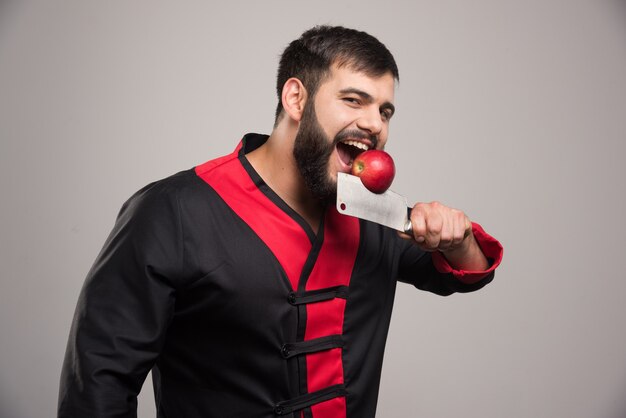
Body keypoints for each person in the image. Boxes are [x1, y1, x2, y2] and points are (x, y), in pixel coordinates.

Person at [58, 25, 503, 418]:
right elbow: (99, 384)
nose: (374, 125)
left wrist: (455, 235)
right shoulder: (173, 210)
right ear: (295, 98)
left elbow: (464, 272)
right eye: (354, 100)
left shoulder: (374, 211)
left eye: (384, 111)